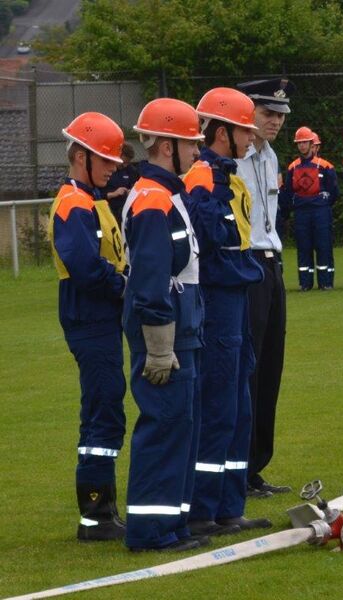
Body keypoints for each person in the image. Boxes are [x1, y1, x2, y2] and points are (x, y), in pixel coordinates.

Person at [183, 87, 271, 535]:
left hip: (236, 293)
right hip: (218, 298)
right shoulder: (202, 176)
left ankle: (229, 504)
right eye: (245, 130)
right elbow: (210, 233)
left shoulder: (229, 176)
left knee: (239, 404)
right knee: (218, 404)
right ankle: (202, 510)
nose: (252, 138)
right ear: (222, 132)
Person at [121, 98, 206, 552]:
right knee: (164, 424)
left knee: (180, 427)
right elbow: (151, 277)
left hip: (181, 328)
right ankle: (150, 531)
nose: (197, 151)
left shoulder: (168, 193)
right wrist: (158, 345)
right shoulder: (154, 198)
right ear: (168, 145)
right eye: (191, 143)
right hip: (166, 330)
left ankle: (171, 524)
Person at [48, 112, 127, 541]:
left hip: (97, 315)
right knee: (103, 410)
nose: (114, 166)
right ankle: (96, 515)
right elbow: (84, 265)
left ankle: (101, 511)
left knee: (104, 405)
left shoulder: (89, 199)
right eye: (106, 159)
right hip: (90, 314)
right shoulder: (74, 203)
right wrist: (123, 285)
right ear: (81, 157)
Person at [235, 77, 295, 498]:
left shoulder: (271, 156)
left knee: (271, 365)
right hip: (247, 261)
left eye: (280, 116)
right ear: (247, 113)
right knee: (248, 367)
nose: (275, 122)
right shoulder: (233, 160)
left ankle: (256, 465)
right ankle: (237, 466)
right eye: (267, 113)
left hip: (272, 264)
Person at [282, 126, 338, 291]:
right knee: (303, 247)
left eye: (305, 142)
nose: (302, 146)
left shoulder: (325, 166)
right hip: (301, 212)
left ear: (311, 143)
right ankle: (305, 283)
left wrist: (323, 204)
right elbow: (288, 192)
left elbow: (334, 192)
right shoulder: (293, 167)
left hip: (321, 211)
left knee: (323, 245)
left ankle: (325, 282)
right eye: (299, 143)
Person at [98, 142, 139, 227]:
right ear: (118, 156)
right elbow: (96, 195)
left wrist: (130, 192)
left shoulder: (131, 171)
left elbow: (136, 187)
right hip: (107, 211)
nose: (125, 165)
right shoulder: (104, 170)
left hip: (124, 211)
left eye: (128, 163)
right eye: (123, 162)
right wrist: (113, 194)